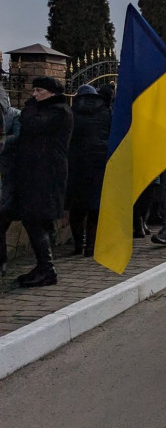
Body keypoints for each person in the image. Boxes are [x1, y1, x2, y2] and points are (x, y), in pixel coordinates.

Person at [13, 76, 74, 288]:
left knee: (36, 218)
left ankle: (47, 269)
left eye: (39, 90)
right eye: (34, 90)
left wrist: (28, 108)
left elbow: (31, 124)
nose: (34, 94)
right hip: (37, 173)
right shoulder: (45, 109)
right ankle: (43, 266)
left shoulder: (59, 112)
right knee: (35, 220)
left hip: (47, 175)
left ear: (52, 93)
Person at [66, 84, 111, 257]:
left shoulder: (71, 112)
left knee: (76, 207)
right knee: (95, 206)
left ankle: (79, 244)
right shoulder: (106, 112)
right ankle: (91, 246)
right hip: (99, 165)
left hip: (75, 165)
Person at [0, 87, 22, 276]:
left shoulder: (15, 115)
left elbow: (19, 137)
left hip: (7, 170)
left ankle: (2, 262)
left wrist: (3, 140)